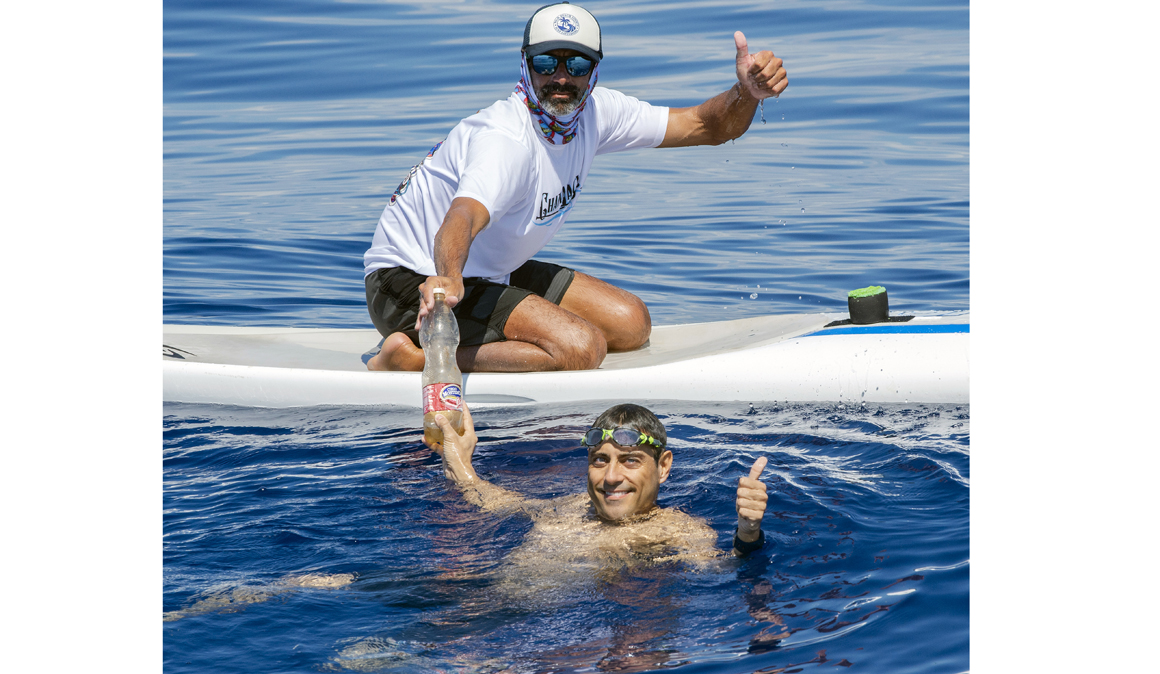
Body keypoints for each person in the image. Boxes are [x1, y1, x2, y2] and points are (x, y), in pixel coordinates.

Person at [364, 2, 789, 372]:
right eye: (546, 64)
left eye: (577, 65)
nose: (561, 78)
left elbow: (704, 125)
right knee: (582, 348)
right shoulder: (506, 141)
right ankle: (412, 359)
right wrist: (448, 279)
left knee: (631, 323)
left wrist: (746, 93)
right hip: (412, 281)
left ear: (595, 70)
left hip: (489, 267)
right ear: (526, 65)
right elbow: (462, 216)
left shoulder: (598, 114)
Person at [430, 402, 771, 559]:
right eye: (600, 461)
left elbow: (725, 569)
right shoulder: (569, 508)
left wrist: (748, 533)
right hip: (475, 611)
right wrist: (460, 463)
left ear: (663, 467)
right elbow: (496, 502)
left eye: (630, 461)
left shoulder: (676, 531)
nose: (610, 477)